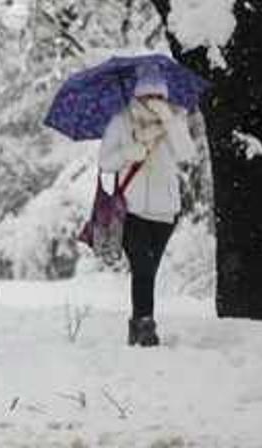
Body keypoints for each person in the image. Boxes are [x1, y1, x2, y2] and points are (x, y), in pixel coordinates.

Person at [98, 68, 195, 347]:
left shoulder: (174, 120)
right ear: (137, 96)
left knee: (149, 270)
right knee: (142, 265)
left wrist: (170, 121)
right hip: (132, 208)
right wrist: (131, 152)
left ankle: (137, 323)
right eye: (148, 96)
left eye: (159, 96)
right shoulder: (121, 121)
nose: (154, 101)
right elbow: (105, 161)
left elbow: (187, 154)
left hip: (166, 210)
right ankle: (145, 325)